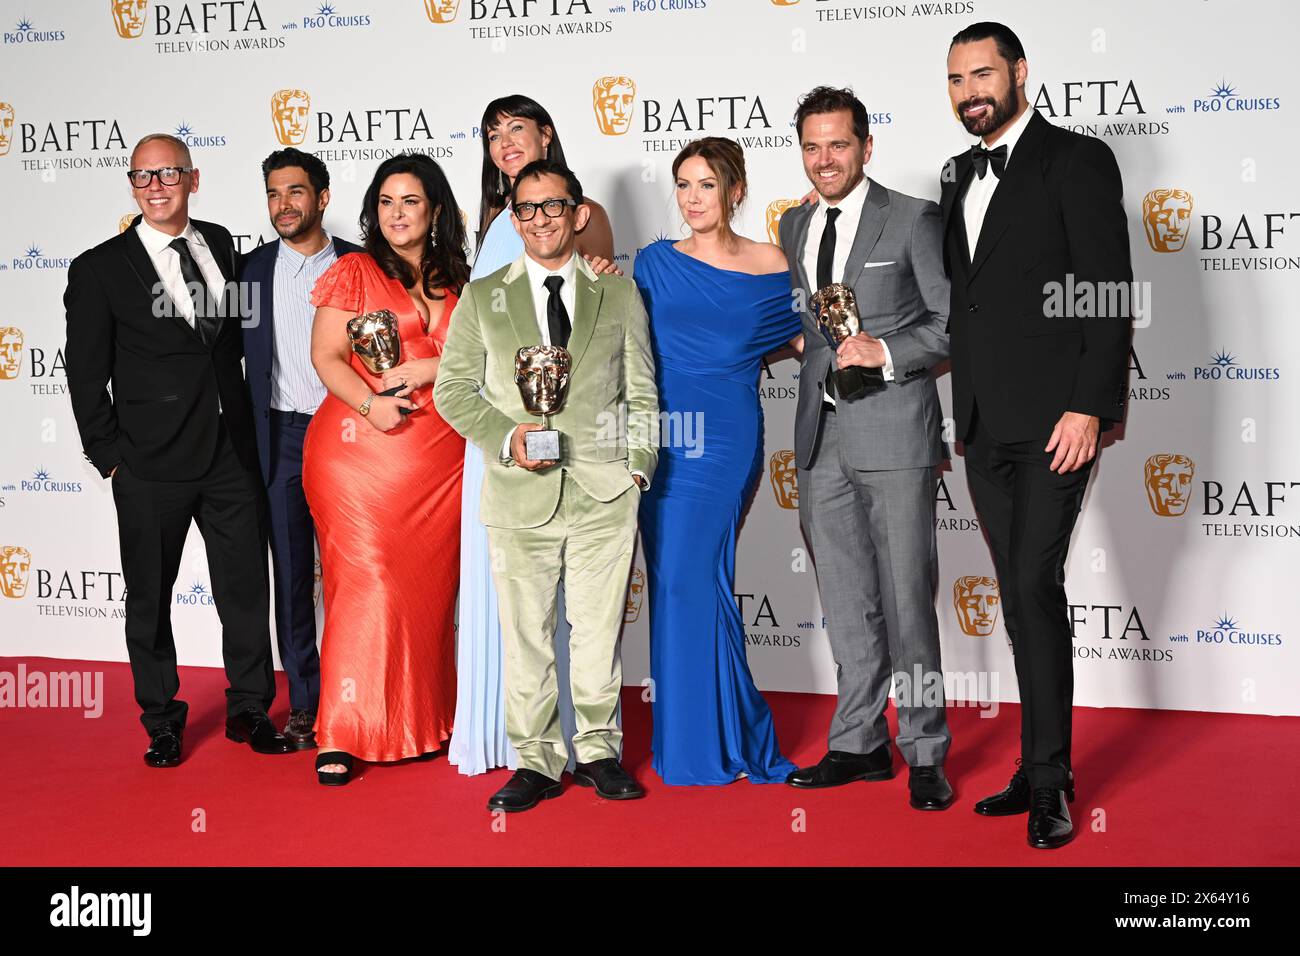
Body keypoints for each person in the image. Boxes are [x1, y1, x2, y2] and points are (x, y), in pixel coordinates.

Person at [940, 23, 1131, 848]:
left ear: (1020, 73)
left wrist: (1090, 406)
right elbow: (968, 300)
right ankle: (1034, 761)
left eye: (983, 73)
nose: (969, 90)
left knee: (1032, 585)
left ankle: (1051, 779)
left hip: (1058, 423)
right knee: (1020, 599)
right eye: (955, 80)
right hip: (983, 424)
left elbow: (1106, 291)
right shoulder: (955, 176)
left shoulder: (1076, 160)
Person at [435, 159, 658, 812]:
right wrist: (507, 437)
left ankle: (598, 753)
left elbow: (640, 387)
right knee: (526, 636)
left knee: (595, 634)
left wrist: (638, 466)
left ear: (576, 212)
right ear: (513, 216)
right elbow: (452, 390)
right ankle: (535, 761)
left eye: (551, 206)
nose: (538, 220)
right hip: (517, 496)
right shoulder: (484, 298)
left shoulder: (617, 292)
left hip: (604, 494)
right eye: (525, 209)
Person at [64, 133, 292, 766]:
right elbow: (85, 376)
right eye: (142, 177)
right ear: (131, 186)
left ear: (195, 179)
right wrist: (111, 457)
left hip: (230, 455)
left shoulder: (219, 243)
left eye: (168, 174)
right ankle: (162, 718)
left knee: (245, 591)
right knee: (149, 598)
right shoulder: (100, 268)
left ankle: (250, 708)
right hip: (149, 463)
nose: (155, 187)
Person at [779, 87, 954, 811]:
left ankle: (924, 749)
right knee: (847, 603)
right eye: (813, 146)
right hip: (821, 441)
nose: (825, 160)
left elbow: (948, 324)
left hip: (894, 431)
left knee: (908, 600)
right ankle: (858, 743)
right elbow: (808, 326)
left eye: (839, 145)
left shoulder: (913, 218)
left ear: (866, 147)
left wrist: (883, 349)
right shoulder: (792, 224)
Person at [451, 94, 617, 778]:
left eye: (516, 128)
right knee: (510, 598)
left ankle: (583, 744)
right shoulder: (495, 222)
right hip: (500, 434)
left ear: (547, 134)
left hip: (568, 437)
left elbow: (592, 326)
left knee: (575, 608)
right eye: (491, 134)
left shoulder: (588, 217)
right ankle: (514, 742)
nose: (503, 142)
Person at [632, 137, 799, 785]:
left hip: (726, 436)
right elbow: (622, 337)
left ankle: (709, 740)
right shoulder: (651, 263)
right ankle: (710, 732)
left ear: (734, 190)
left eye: (706, 184)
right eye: (682, 184)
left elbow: (799, 337)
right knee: (680, 584)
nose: (692, 198)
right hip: (662, 436)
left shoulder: (770, 263)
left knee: (695, 576)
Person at [303, 153, 469, 785]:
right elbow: (326, 355)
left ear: (433, 210)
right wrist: (370, 406)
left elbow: (477, 359)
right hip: (359, 452)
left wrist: (432, 369)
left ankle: (421, 720)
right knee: (364, 585)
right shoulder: (354, 270)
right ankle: (342, 733)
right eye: (387, 203)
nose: (398, 215)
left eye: (411, 202)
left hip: (439, 463)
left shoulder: (458, 276)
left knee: (425, 597)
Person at [239, 147, 361, 749]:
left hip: (352, 436)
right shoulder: (248, 273)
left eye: (294, 192)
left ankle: (359, 699)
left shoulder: (363, 266)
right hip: (281, 437)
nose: (282, 205)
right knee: (290, 575)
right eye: (273, 194)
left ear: (322, 198)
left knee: (357, 576)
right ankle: (307, 707)